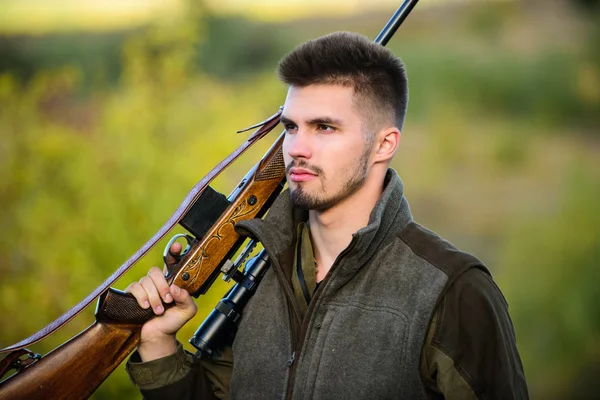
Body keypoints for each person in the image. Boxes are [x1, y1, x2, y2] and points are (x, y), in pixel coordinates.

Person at [124, 31, 528, 399]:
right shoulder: (264, 271)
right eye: (291, 127)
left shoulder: (453, 290)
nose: (297, 147)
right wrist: (158, 345)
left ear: (384, 144)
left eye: (324, 128)